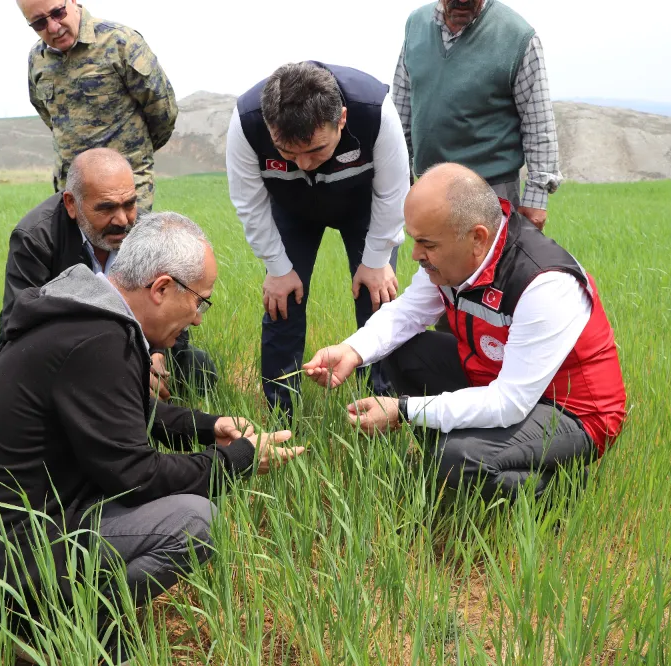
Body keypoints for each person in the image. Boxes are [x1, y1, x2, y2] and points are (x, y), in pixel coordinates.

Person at [0, 213, 304, 656]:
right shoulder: (97, 340)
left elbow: (123, 412)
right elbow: (135, 474)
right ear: (162, 288)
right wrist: (237, 460)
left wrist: (207, 426)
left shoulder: (86, 314)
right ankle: (57, 627)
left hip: (6, 532)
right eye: (201, 302)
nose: (199, 320)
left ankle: (61, 613)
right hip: (7, 553)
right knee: (194, 523)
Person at [304, 164, 626, 499]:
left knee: (458, 459)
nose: (415, 255)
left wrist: (403, 410)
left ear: (477, 238)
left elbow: (510, 402)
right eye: (415, 240)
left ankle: (565, 487)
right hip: (495, 377)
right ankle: (449, 464)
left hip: (572, 411)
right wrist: (351, 351)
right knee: (400, 351)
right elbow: (407, 313)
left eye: (426, 244)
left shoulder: (543, 282)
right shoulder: (454, 259)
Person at [226, 61, 410, 417]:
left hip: (365, 207)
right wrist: (277, 268)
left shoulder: (374, 110)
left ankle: (382, 406)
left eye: (315, 150)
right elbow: (249, 203)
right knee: (282, 303)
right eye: (287, 153)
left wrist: (376, 260)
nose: (304, 164)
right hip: (292, 207)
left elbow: (394, 193)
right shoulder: (247, 121)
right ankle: (280, 413)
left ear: (341, 118)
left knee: (377, 301)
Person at [0, 148, 217, 398]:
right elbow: (18, 328)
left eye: (130, 204)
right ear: (71, 204)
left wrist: (155, 354)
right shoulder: (37, 239)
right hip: (73, 352)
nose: (122, 220)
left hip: (136, 341)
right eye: (106, 208)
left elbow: (172, 303)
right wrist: (123, 367)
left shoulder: (144, 229)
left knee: (198, 367)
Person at [394, 0, 562, 232]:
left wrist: (536, 198)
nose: (462, 1)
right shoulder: (416, 24)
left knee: (493, 267)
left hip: (492, 192)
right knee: (433, 266)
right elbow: (402, 105)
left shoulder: (517, 36)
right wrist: (398, 175)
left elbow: (538, 122)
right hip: (431, 189)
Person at [18, 0, 178, 210]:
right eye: (39, 23)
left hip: (126, 195)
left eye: (58, 13)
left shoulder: (120, 42)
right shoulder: (37, 59)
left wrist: (134, 156)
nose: (54, 27)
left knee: (128, 243)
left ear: (73, 2)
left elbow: (162, 112)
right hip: (73, 197)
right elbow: (49, 117)